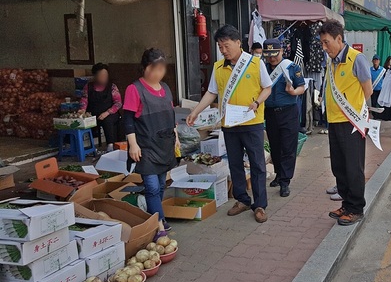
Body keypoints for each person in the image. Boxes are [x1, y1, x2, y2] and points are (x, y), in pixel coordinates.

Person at [187, 25, 273, 223]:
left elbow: (267, 88)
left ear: (237, 43)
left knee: (257, 164)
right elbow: (211, 93)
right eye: (219, 46)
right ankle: (242, 200)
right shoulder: (218, 67)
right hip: (229, 124)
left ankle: (260, 205)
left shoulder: (254, 63)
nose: (223, 50)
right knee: (235, 163)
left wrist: (257, 102)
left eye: (226, 46)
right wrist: (195, 111)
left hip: (252, 122)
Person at [320, 20, 372, 226]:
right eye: (322, 43)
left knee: (353, 167)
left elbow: (367, 91)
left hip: (351, 122)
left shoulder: (356, 59)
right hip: (333, 121)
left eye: (327, 42)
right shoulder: (331, 61)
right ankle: (346, 203)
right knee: (339, 166)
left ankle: (356, 208)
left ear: (339, 39)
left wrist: (358, 113)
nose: (324, 47)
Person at [123, 48, 177, 231]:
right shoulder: (134, 89)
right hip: (145, 145)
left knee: (161, 185)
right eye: (156, 68)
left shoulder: (166, 88)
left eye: (162, 69)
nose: (159, 73)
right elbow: (128, 119)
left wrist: (175, 137)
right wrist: (133, 145)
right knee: (152, 187)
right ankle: (159, 225)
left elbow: (171, 115)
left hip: (164, 144)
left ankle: (156, 216)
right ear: (145, 68)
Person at [262, 38, 305, 197]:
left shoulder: (292, 67)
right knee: (275, 146)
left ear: (281, 51)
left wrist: (293, 91)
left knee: (288, 147)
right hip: (270, 113)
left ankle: (285, 181)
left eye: (275, 54)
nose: (272, 58)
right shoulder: (263, 68)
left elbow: (302, 87)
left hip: (288, 112)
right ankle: (279, 174)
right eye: (269, 55)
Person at [78, 63, 122, 152]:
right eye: (101, 75)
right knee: (85, 121)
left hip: (110, 113)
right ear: (95, 76)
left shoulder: (112, 87)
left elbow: (118, 103)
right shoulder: (88, 87)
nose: (104, 78)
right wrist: (82, 110)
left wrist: (107, 113)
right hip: (94, 113)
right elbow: (84, 100)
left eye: (105, 75)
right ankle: (88, 148)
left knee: (107, 121)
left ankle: (110, 146)